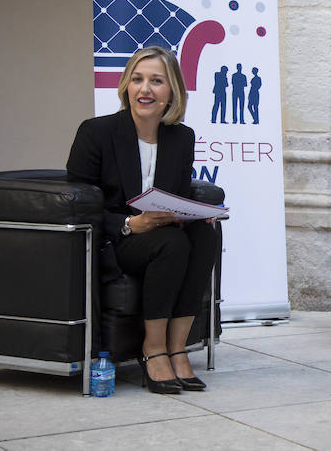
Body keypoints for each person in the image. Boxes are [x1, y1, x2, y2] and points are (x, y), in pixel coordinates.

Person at [67, 46, 218, 394]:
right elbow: (78, 205)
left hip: (161, 236)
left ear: (172, 92)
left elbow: (175, 196)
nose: (145, 89)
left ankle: (177, 348)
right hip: (115, 241)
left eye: (156, 81)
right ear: (126, 86)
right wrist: (127, 224)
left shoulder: (181, 137)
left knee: (203, 236)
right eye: (137, 79)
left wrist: (192, 216)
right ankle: (152, 350)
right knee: (172, 242)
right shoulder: (96, 132)